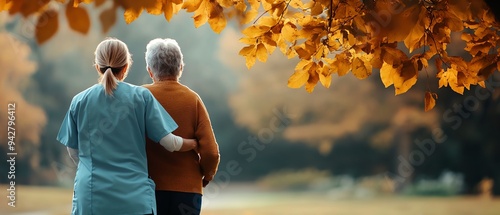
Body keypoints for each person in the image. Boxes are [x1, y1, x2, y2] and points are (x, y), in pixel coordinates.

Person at [56, 38, 198, 215]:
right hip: (134, 199)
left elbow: (73, 150)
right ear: (125, 67)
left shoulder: (79, 101)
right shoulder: (141, 97)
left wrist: (90, 166)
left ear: (97, 67)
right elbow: (169, 143)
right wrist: (194, 143)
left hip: (91, 197)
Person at [143, 38, 220, 215]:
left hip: (147, 188)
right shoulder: (192, 99)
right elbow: (211, 152)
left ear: (149, 70)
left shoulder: (140, 96)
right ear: (181, 67)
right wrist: (206, 175)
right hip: (188, 191)